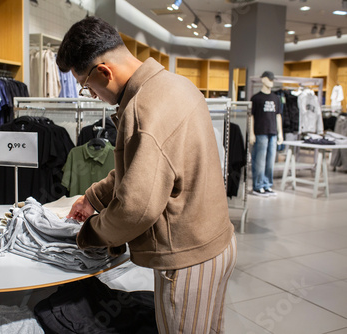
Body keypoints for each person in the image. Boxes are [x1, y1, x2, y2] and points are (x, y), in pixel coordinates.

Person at [58, 17, 236, 334]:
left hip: (187, 256)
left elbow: (136, 208)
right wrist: (94, 197)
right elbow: (147, 165)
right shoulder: (174, 84)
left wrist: (90, 233)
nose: (92, 94)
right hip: (214, 241)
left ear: (103, 71)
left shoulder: (143, 108)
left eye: (86, 86)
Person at [249, 71, 283, 197]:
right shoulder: (256, 98)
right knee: (259, 160)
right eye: (269, 79)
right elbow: (251, 117)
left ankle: (267, 185)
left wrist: (280, 133)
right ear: (263, 79)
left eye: (272, 80)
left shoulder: (276, 98)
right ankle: (257, 186)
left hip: (273, 133)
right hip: (260, 132)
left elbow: (278, 116)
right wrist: (251, 133)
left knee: (270, 161)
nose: (271, 82)